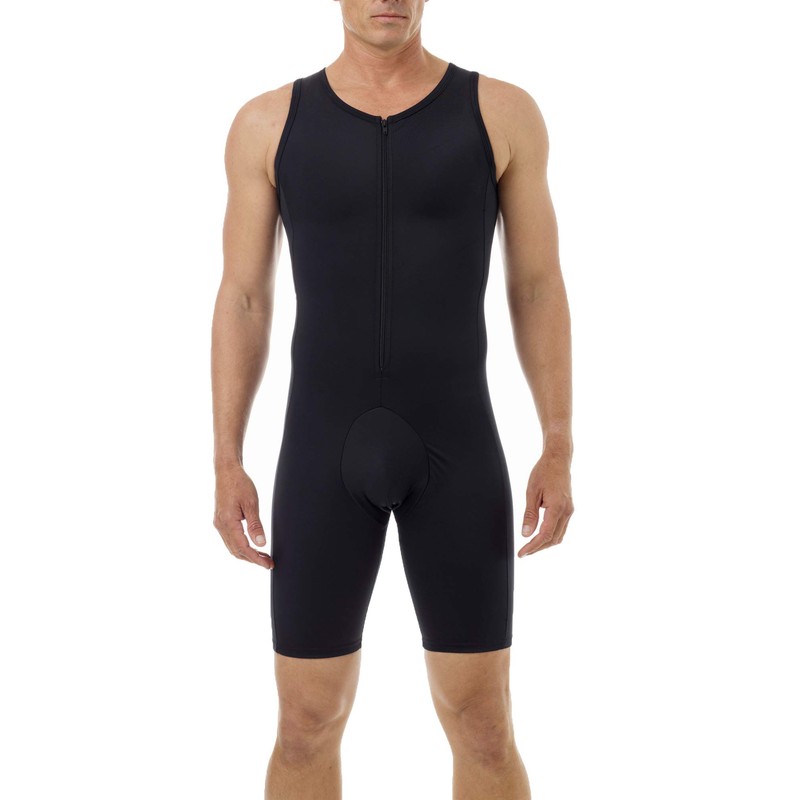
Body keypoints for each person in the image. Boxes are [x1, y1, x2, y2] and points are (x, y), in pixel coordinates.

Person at [211, 1, 574, 797]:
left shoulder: (501, 112)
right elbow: (244, 298)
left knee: (483, 722)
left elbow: (537, 285)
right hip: (321, 449)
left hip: (457, 447)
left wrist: (558, 442)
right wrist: (227, 460)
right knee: (305, 724)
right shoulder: (267, 123)